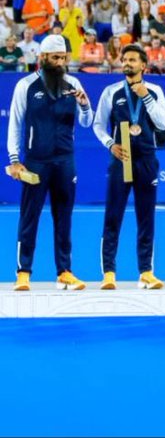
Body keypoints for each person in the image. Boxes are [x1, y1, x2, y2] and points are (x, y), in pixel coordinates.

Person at [7, 35, 94, 291]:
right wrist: (14, 159)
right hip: (36, 162)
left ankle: (64, 272)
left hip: (65, 161)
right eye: (55, 58)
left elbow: (87, 122)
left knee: (64, 217)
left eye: (63, 58)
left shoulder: (73, 83)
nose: (60, 63)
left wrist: (85, 105)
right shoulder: (26, 85)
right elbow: (15, 123)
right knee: (29, 217)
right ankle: (23, 272)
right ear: (42, 58)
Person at [93, 44, 165, 290]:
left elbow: (163, 122)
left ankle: (146, 272)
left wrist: (145, 95)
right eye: (125, 59)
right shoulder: (111, 91)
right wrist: (110, 145)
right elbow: (98, 125)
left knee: (146, 216)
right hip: (121, 158)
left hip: (147, 158)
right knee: (113, 216)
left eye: (133, 60)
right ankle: (109, 273)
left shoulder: (155, 90)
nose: (127, 63)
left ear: (143, 65)